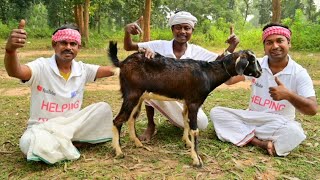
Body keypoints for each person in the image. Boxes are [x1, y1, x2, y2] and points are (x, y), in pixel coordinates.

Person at [4, 20, 115, 164]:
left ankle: (63, 145)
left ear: (78, 47)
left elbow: (111, 70)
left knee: (103, 109)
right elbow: (16, 71)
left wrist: (135, 62)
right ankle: (68, 145)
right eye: (63, 43)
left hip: (71, 126)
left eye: (73, 44)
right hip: (43, 128)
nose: (68, 47)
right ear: (54, 45)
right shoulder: (41, 66)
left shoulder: (82, 69)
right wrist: (10, 51)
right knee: (28, 142)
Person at [123, 11, 239, 141]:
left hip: (184, 96)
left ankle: (176, 117)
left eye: (187, 28)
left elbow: (219, 62)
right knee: (150, 83)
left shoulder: (196, 51)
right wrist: (127, 32)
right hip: (159, 91)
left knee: (201, 123)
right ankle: (151, 125)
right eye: (178, 27)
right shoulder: (159, 45)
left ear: (192, 30)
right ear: (172, 29)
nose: (182, 31)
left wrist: (232, 46)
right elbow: (129, 46)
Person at [210, 23, 318, 156]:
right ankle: (260, 143)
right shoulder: (256, 64)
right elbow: (228, 80)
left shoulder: (299, 73)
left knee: (295, 132)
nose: (275, 46)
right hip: (251, 117)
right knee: (217, 113)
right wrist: (230, 50)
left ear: (289, 43)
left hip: (278, 123)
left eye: (280, 41)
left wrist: (289, 95)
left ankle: (244, 134)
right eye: (269, 42)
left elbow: (312, 109)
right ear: (264, 47)